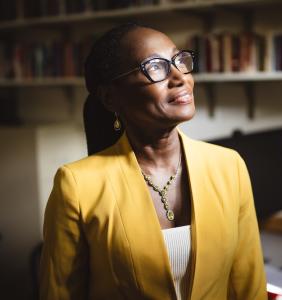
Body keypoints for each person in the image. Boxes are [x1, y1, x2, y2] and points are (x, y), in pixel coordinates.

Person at [39, 23, 267, 300]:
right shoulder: (76, 185)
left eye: (179, 60)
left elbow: (249, 286)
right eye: (155, 66)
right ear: (111, 97)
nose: (179, 76)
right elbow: (60, 293)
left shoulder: (229, 166)